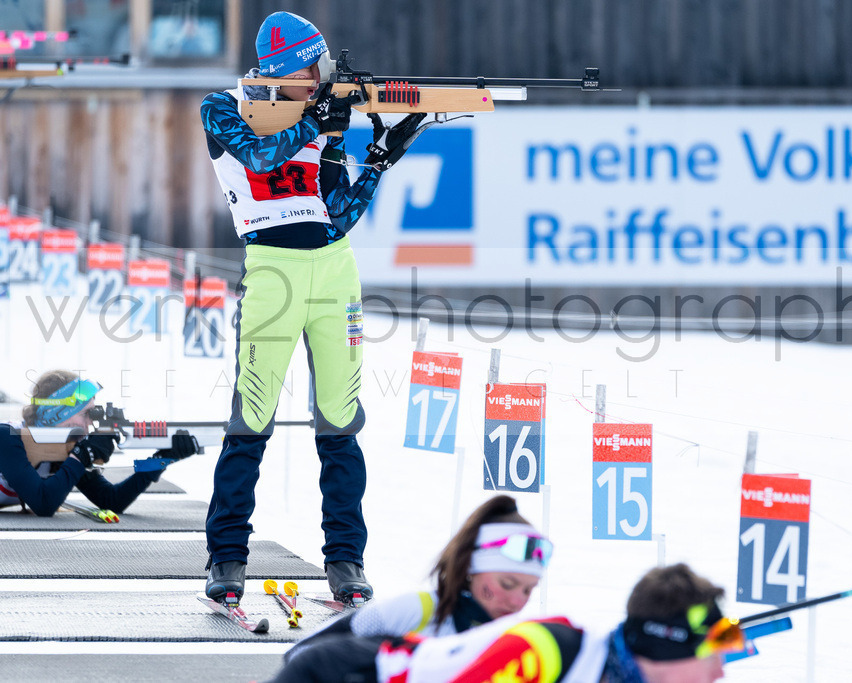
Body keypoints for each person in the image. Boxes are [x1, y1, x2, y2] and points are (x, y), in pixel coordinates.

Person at [200, 11, 429, 605]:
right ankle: (226, 558)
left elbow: (337, 215)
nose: (322, 75)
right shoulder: (224, 105)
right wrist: (314, 124)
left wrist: (378, 158)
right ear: (286, 68)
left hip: (334, 270)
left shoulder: (321, 119)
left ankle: (346, 560)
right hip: (271, 268)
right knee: (250, 418)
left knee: (339, 420)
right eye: (314, 65)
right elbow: (257, 159)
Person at [270, 563, 742, 683]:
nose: (722, 673)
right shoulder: (547, 649)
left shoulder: (624, 666)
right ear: (664, 647)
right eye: (712, 659)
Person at [279, 494, 553, 672]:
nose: (518, 601)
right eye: (507, 583)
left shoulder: (513, 638)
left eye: (529, 590)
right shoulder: (418, 610)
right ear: (471, 567)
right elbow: (301, 653)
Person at [0, 370, 197, 516]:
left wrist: (162, 459)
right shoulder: (6, 436)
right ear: (57, 414)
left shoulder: (62, 448)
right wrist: (81, 456)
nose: (92, 422)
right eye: (86, 414)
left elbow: (111, 500)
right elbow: (44, 504)